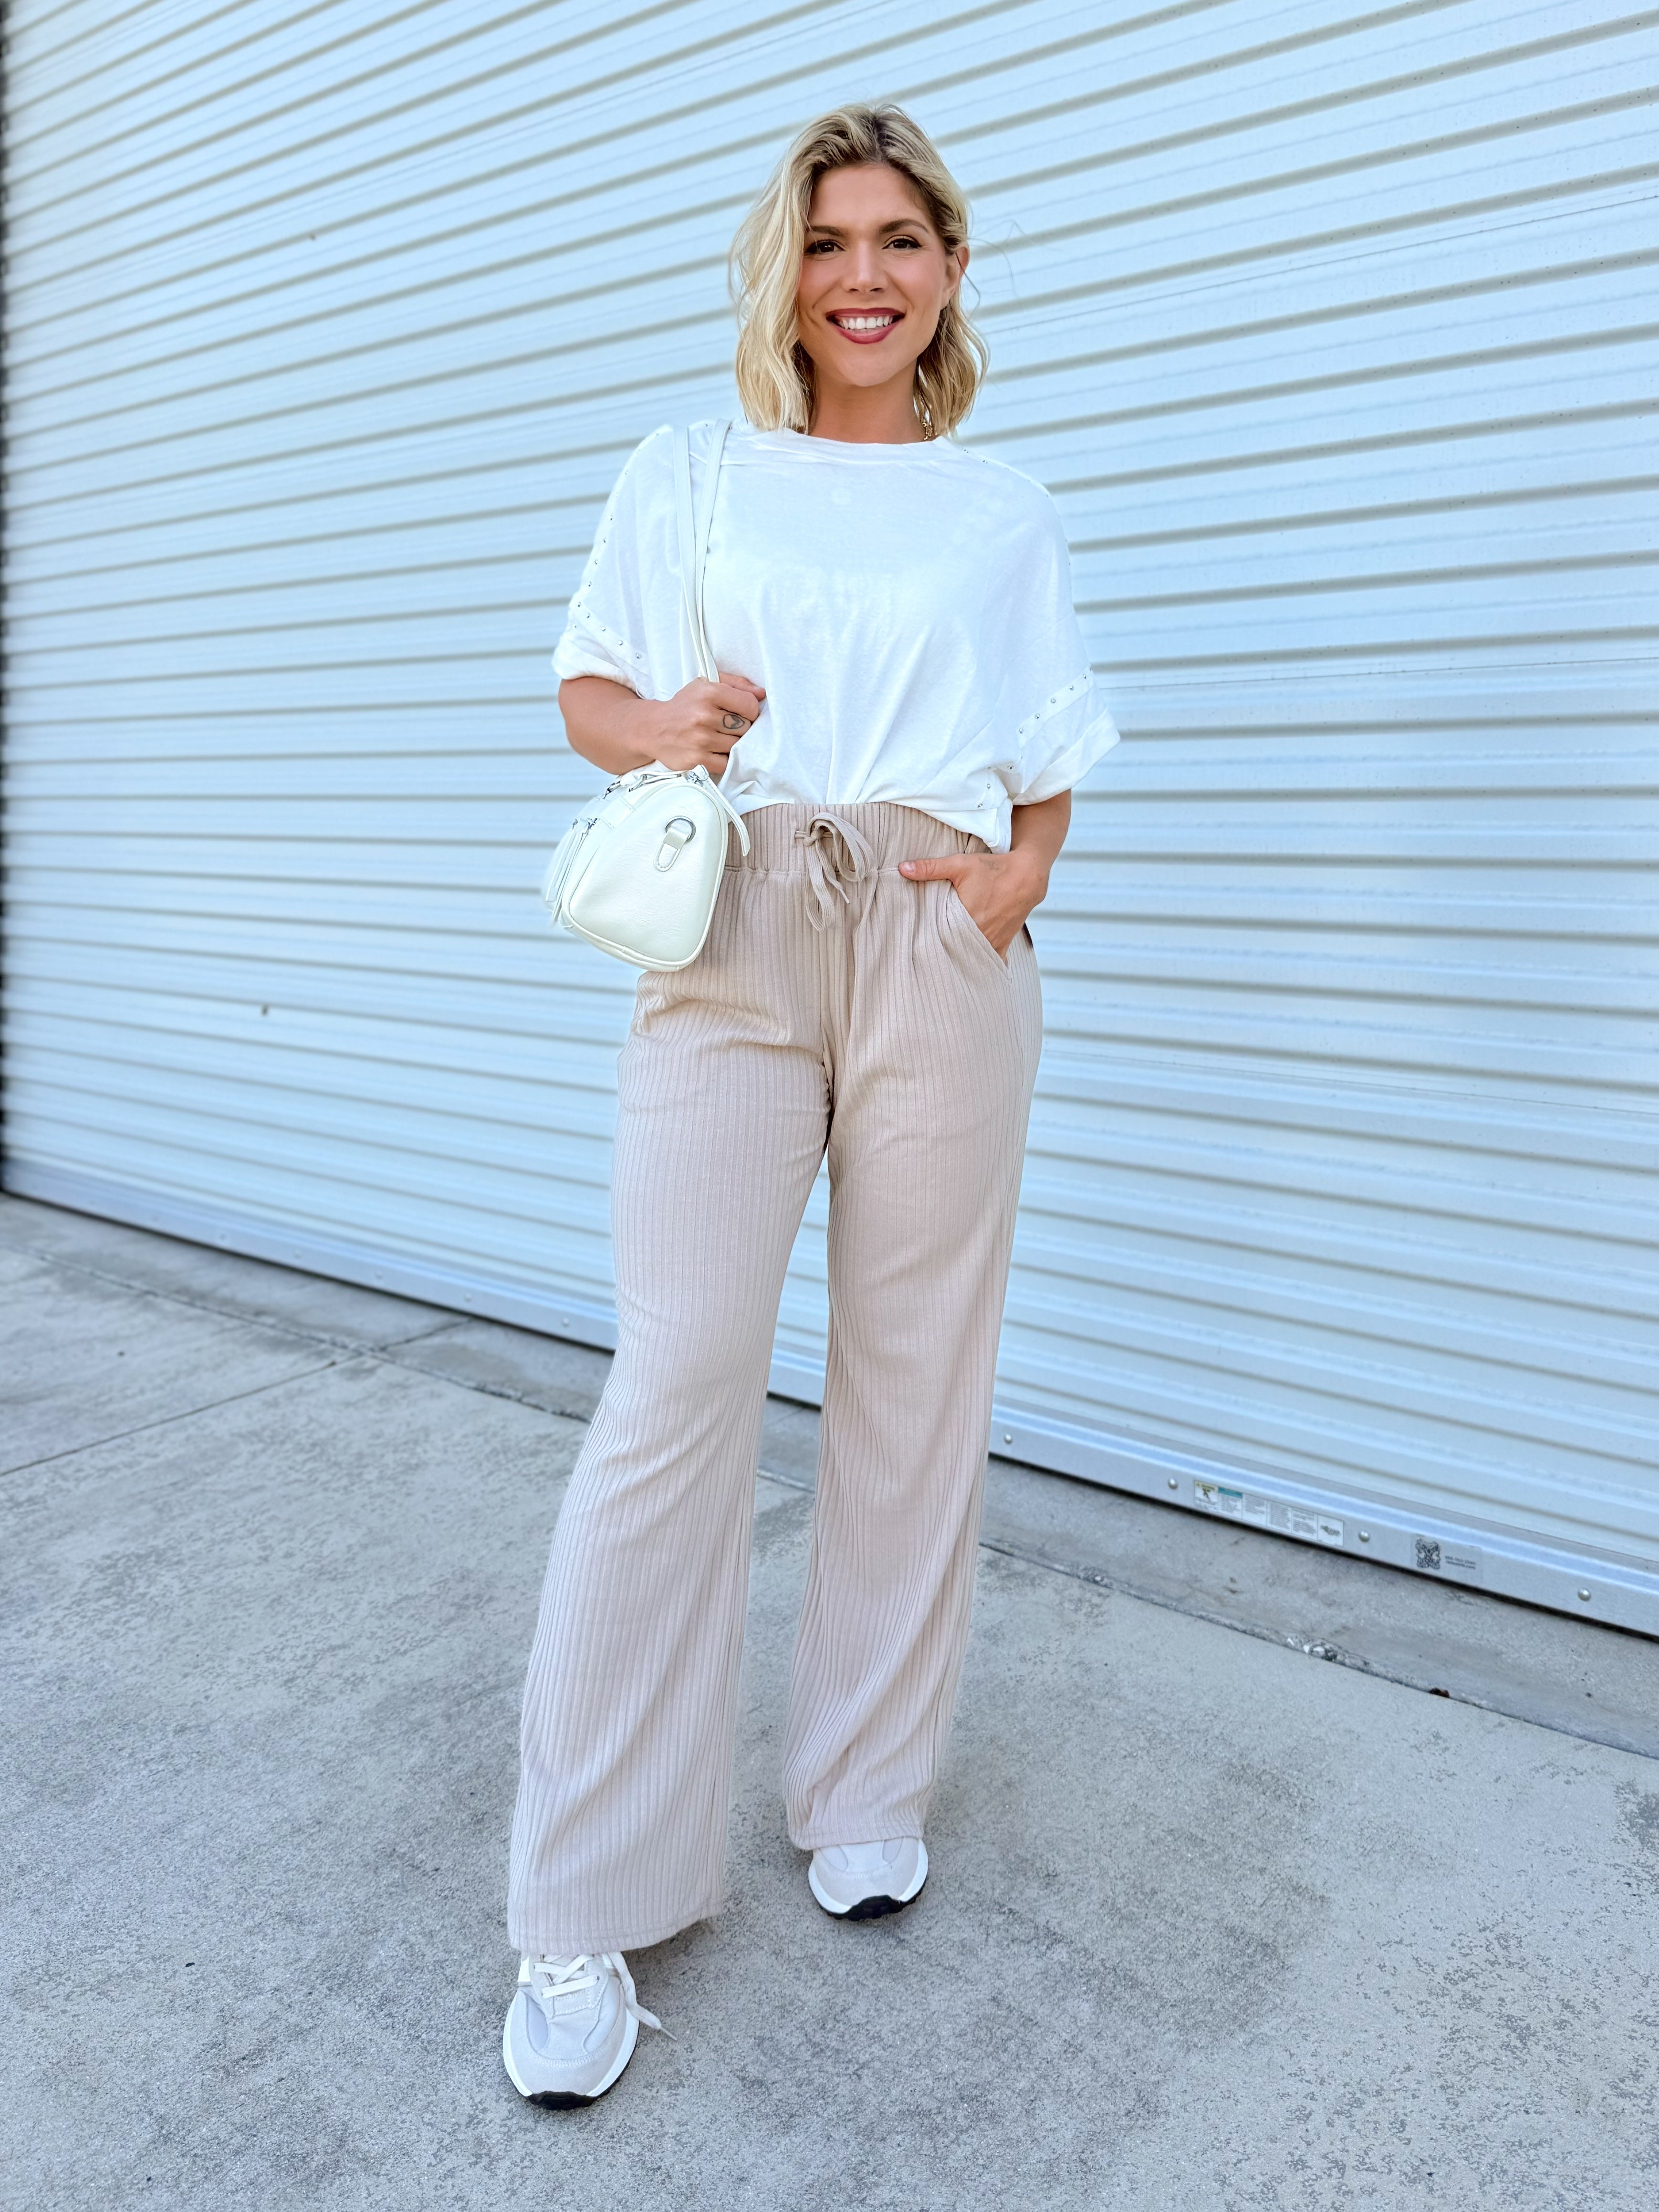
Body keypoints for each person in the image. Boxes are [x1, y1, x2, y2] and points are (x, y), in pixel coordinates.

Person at [502, 101, 1119, 2107]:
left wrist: (1024, 868)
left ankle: (863, 1784)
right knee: (680, 1373)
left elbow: (1045, 734)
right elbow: (593, 690)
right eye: (835, 239)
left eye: (905, 241)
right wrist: (665, 723)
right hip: (744, 925)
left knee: (917, 1374)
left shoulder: (998, 501)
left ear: (950, 273)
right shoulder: (692, 469)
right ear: (787, 267)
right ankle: (579, 1899)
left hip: (938, 938)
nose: (868, 274)